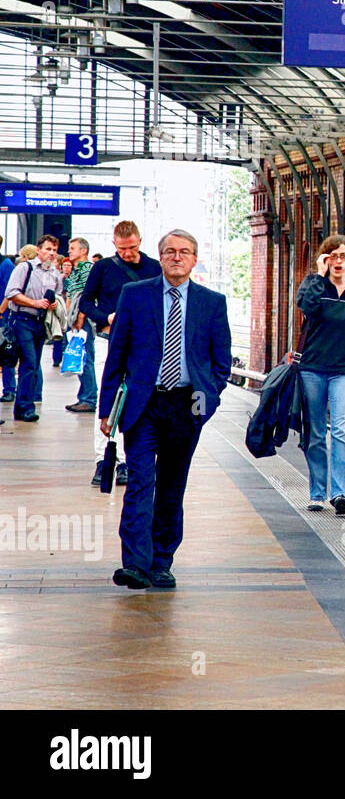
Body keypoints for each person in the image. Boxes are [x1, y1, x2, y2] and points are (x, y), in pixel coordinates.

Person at [99, 229, 231, 590]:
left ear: (193, 259)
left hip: (186, 405)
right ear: (160, 257)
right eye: (170, 251)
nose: (177, 257)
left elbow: (221, 365)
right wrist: (107, 410)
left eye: (184, 252)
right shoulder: (135, 296)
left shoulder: (212, 303)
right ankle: (136, 564)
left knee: (172, 486)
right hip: (143, 404)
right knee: (141, 482)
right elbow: (117, 355)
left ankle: (161, 561)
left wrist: (206, 404)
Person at [295, 234, 345, 515]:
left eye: (343, 256)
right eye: (332, 257)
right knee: (316, 433)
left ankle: (342, 493)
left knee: (341, 432)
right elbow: (306, 307)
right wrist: (319, 275)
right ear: (324, 260)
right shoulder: (315, 286)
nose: (338, 261)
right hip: (312, 370)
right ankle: (317, 492)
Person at [80, 221, 162, 486]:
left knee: (137, 400)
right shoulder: (103, 268)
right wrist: (106, 317)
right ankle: (103, 459)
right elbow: (85, 302)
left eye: (133, 247)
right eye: (123, 248)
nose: (128, 253)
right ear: (114, 244)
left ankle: (125, 461)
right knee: (107, 399)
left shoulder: (153, 268)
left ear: (140, 240)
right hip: (108, 339)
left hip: (143, 347)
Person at [3, 235, 63, 423]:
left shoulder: (55, 273)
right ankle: (26, 407)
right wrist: (34, 303)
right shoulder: (25, 268)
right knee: (28, 362)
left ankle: (22, 407)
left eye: (54, 250)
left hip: (40, 322)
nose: (51, 253)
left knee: (34, 364)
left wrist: (54, 304)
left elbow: (58, 294)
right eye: (47, 249)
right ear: (39, 250)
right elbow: (11, 293)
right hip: (22, 320)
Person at [63, 238, 98, 413]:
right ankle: (84, 396)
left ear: (83, 251)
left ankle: (89, 399)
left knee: (85, 358)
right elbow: (71, 295)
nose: (69, 251)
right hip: (75, 319)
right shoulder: (75, 271)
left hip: (82, 321)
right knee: (79, 358)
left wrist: (81, 318)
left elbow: (87, 295)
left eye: (72, 248)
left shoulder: (87, 269)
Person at [0, 237, 14, 403]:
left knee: (5, 353)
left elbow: (10, 292)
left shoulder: (6, 265)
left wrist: (1, 310)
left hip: (3, 317)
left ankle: (9, 389)